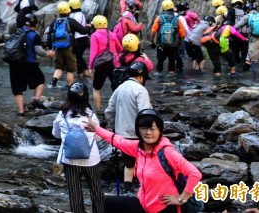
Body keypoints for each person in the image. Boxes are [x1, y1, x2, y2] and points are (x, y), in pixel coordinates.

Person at [85, 108, 202, 213]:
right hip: (144, 205)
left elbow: (195, 174)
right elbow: (117, 140)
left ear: (160, 131)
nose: (148, 133)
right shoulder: (138, 148)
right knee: (104, 202)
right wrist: (96, 129)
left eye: (152, 129)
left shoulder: (167, 152)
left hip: (165, 208)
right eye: (144, 128)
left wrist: (181, 199)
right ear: (138, 130)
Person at [52, 82, 106, 213]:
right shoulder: (90, 116)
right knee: (96, 191)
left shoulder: (62, 115)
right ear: (86, 97)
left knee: (74, 194)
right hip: (91, 160)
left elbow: (56, 134)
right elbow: (98, 137)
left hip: (70, 160)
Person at [104, 61, 153, 192]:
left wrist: (113, 127)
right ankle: (146, 189)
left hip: (122, 135)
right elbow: (145, 113)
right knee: (145, 162)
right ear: (141, 77)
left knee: (129, 164)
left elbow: (109, 111)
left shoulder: (119, 88)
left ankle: (127, 188)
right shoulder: (141, 90)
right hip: (137, 135)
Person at [9, 13, 51, 116]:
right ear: (35, 24)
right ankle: (36, 99)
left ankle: (20, 112)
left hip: (14, 63)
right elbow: (38, 51)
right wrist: (48, 54)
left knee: (17, 89)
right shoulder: (34, 35)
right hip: (29, 63)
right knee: (40, 80)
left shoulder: (16, 32)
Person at [49, 1, 90, 88]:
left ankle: (53, 82)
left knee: (59, 67)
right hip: (69, 48)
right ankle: (70, 87)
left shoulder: (54, 22)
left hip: (57, 48)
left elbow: (49, 35)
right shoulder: (71, 21)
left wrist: (50, 48)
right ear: (68, 11)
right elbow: (83, 31)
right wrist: (89, 26)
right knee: (70, 70)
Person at [88, 15, 123, 111]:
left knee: (96, 88)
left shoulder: (94, 35)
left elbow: (93, 52)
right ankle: (119, 109)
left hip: (101, 65)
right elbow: (120, 49)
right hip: (114, 63)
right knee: (116, 87)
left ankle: (98, 111)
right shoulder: (112, 34)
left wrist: (90, 67)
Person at [150, 0, 186, 74]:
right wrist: (179, 43)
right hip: (173, 45)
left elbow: (153, 31)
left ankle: (159, 77)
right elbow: (183, 34)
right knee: (172, 61)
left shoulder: (159, 18)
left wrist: (151, 41)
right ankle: (171, 78)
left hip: (161, 44)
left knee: (160, 61)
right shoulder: (177, 19)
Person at [69, 0, 91, 80]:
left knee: (78, 57)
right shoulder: (81, 14)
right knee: (79, 57)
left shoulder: (72, 16)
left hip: (77, 39)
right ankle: (82, 73)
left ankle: (84, 73)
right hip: (84, 38)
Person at [227, 0, 250, 66]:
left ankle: (236, 67)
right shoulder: (246, 11)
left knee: (235, 52)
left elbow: (229, 23)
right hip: (245, 34)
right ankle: (244, 65)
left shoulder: (231, 11)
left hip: (235, 34)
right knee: (244, 52)